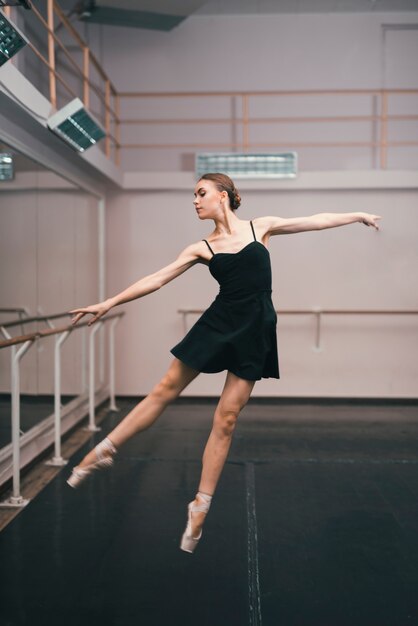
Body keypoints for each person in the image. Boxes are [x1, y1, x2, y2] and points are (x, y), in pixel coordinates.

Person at [67, 172, 381, 553]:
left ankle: (200, 505)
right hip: (219, 321)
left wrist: (357, 214)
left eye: (201, 193)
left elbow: (316, 220)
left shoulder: (259, 228)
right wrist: (108, 302)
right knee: (165, 389)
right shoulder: (201, 247)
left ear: (225, 195)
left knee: (227, 418)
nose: (195, 201)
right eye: (194, 196)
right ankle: (104, 450)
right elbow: (156, 279)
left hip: (256, 327)